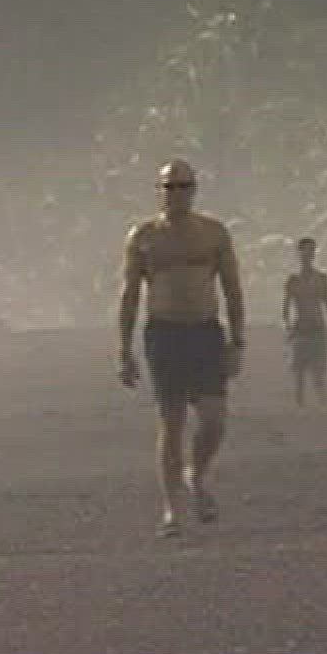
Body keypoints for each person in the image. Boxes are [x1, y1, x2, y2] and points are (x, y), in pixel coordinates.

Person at [117, 159, 246, 537]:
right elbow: (129, 294)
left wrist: (237, 340)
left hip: (204, 331)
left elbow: (232, 288)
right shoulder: (144, 236)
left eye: (183, 186)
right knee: (171, 421)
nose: (176, 194)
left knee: (214, 419)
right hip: (164, 333)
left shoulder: (213, 233)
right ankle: (171, 510)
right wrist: (124, 349)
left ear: (194, 189)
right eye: (169, 187)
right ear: (158, 191)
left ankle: (197, 474)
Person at [282, 237, 327, 407]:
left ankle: (322, 405)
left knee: (318, 372)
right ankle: (300, 407)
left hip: (317, 329)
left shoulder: (322, 279)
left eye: (311, 251)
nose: (308, 254)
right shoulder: (293, 280)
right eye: (305, 251)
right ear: (299, 253)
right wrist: (288, 328)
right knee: (299, 373)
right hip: (301, 329)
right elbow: (286, 308)